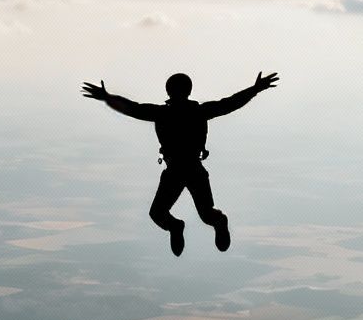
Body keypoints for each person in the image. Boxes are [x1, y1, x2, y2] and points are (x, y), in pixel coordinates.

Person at [81, 71, 279, 256]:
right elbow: (229, 104)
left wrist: (107, 97)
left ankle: (183, 225)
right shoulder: (197, 112)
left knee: (161, 213)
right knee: (205, 214)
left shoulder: (164, 113)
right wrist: (255, 89)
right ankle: (209, 222)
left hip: (178, 171)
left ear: (168, 91)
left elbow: (133, 108)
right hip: (191, 171)